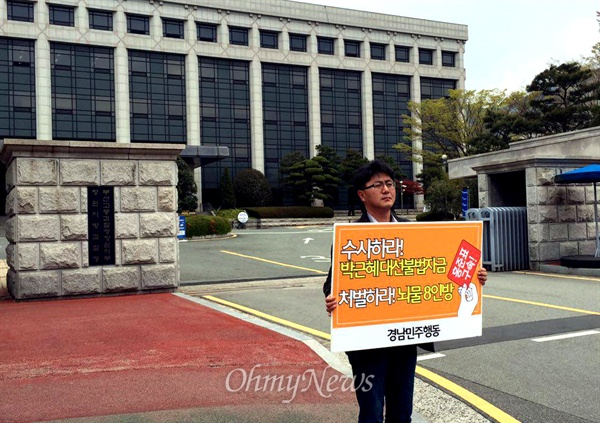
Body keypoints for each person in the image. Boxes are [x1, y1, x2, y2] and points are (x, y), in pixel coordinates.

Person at [323, 159, 487, 423]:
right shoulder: (351, 236)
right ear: (362, 195)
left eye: (389, 184)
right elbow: (332, 284)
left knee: (402, 413)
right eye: (378, 185)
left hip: (404, 341)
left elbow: (437, 272)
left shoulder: (415, 232)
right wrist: (332, 297)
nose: (386, 189)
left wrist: (474, 277)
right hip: (366, 342)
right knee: (372, 413)